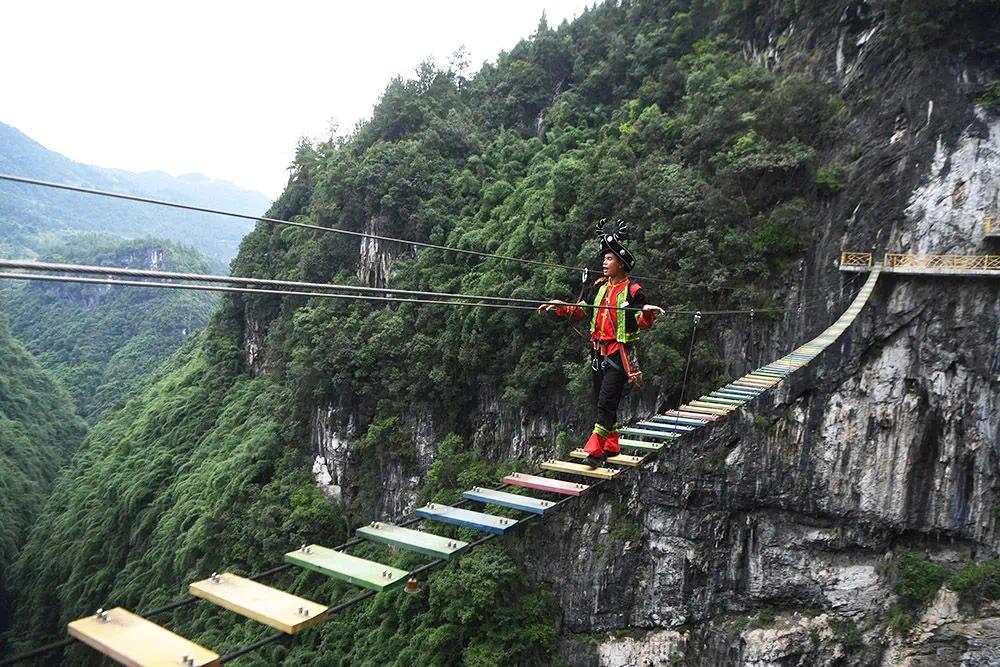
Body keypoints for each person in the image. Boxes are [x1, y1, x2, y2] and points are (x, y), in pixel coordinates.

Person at [539, 224, 664, 467]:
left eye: (609, 259)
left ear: (621, 263)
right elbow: (583, 310)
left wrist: (647, 312)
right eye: (604, 258)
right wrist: (562, 306)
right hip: (598, 352)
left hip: (619, 353)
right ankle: (611, 443)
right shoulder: (599, 287)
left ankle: (596, 451)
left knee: (607, 400)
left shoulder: (633, 291)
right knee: (601, 398)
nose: (604, 263)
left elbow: (640, 319)